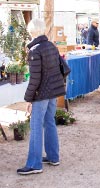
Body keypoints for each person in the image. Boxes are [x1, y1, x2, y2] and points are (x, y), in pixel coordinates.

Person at [17, 19, 65, 175]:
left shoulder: (34, 50)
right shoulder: (51, 45)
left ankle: (34, 164)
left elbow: (35, 79)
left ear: (32, 32)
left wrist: (28, 98)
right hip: (53, 91)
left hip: (42, 93)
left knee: (36, 126)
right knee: (49, 122)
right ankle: (53, 156)